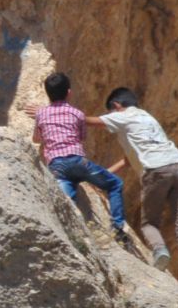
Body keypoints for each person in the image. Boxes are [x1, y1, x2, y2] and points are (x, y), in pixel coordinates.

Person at [89, 87, 178, 296]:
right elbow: (129, 158)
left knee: (149, 223)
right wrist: (104, 175)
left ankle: (160, 251)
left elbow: (91, 122)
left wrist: (53, 110)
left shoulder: (122, 117)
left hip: (155, 169)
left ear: (116, 106)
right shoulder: (148, 119)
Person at [32, 72, 127, 237]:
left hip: (56, 166)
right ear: (69, 93)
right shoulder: (77, 114)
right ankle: (118, 228)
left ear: (47, 93)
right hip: (79, 163)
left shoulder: (41, 114)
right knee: (114, 184)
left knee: (66, 203)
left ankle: (72, 234)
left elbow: (36, 138)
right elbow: (81, 137)